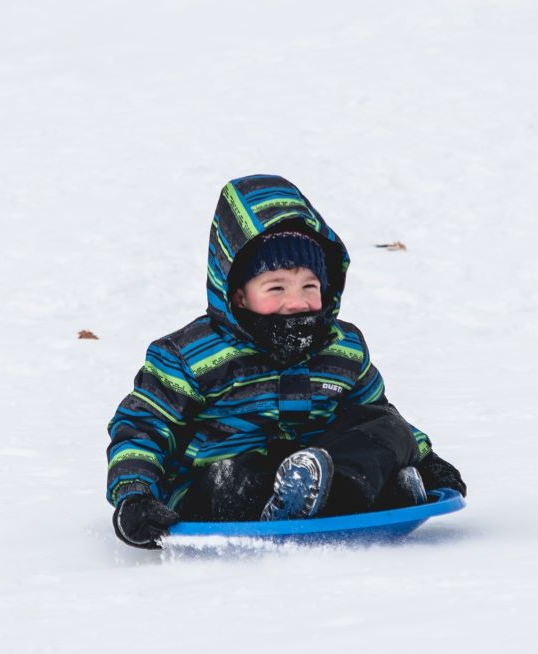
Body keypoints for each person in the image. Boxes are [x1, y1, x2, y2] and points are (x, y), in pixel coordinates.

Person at [106, 174, 465, 549]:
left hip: (320, 473)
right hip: (220, 492)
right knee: (237, 475)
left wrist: (428, 460)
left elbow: (375, 412)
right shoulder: (188, 357)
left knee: (387, 427)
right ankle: (341, 498)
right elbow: (142, 427)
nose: (296, 302)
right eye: (276, 287)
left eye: (309, 287)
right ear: (238, 295)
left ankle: (359, 494)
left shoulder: (343, 348)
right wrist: (135, 495)